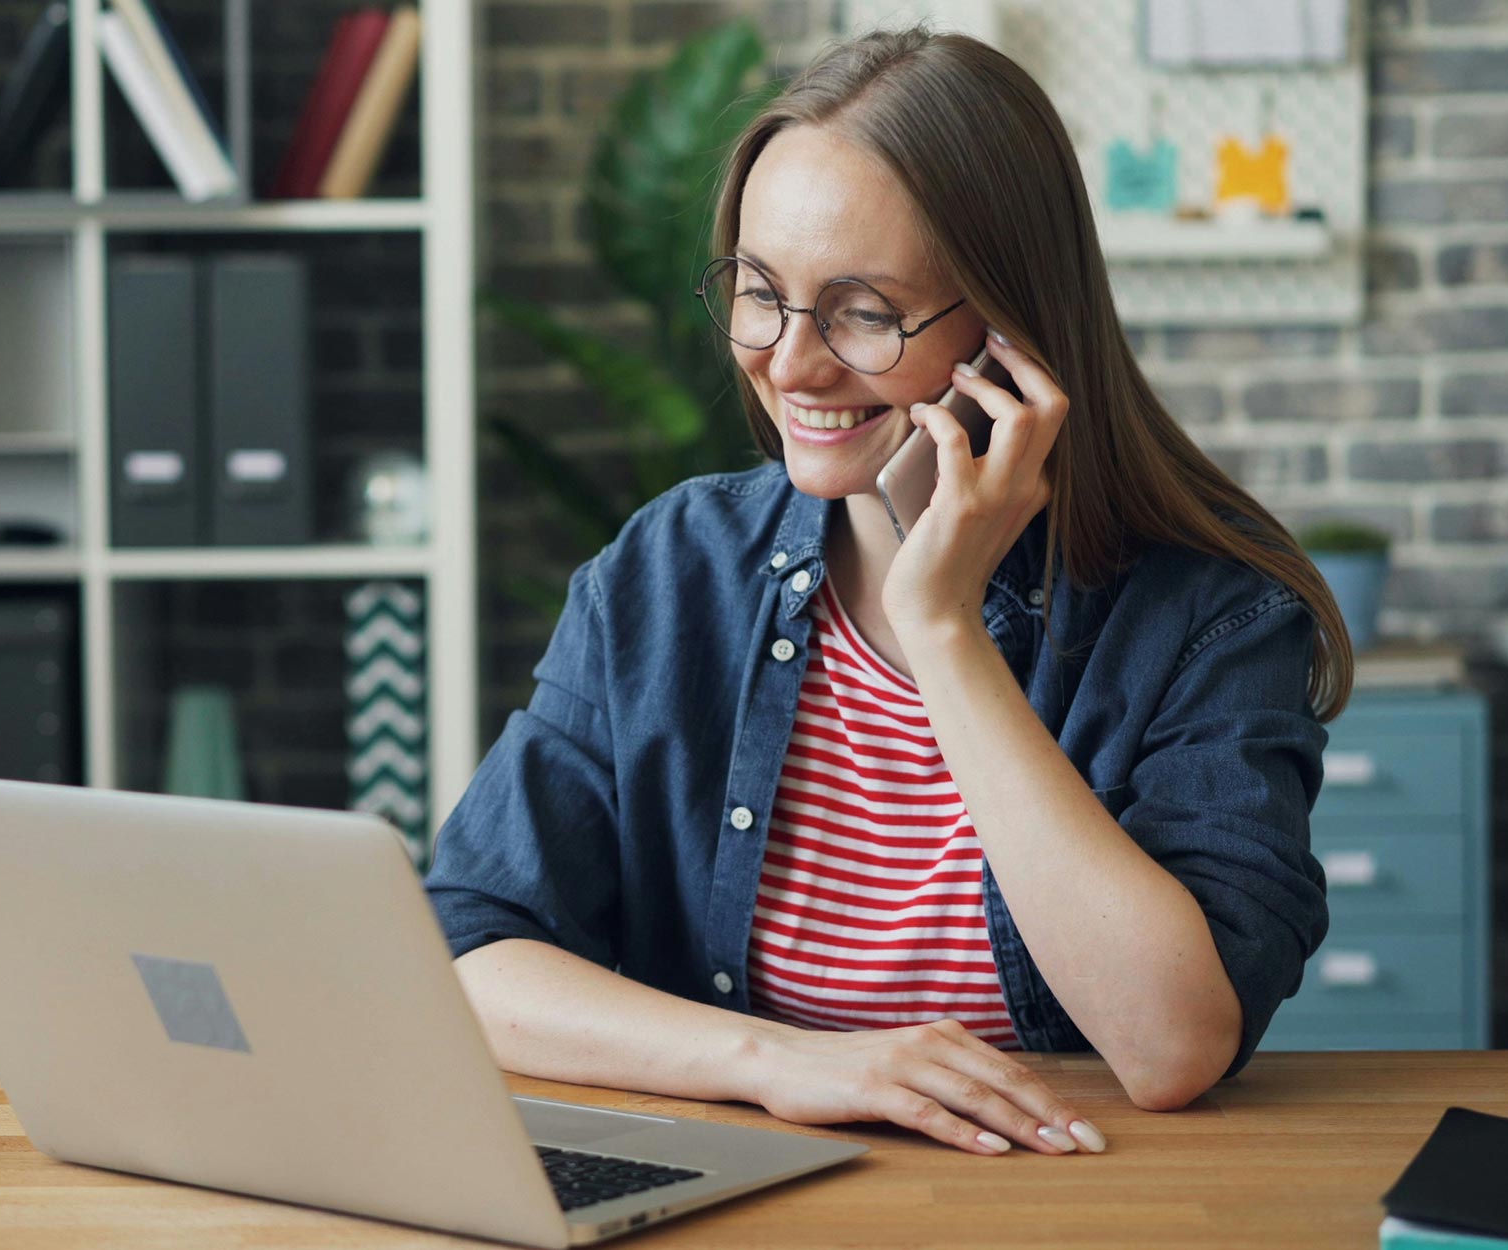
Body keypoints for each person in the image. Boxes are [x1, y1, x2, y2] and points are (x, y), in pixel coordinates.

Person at [424, 28, 1347, 1158]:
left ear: (1010, 329)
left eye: (864, 312)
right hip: (752, 1196)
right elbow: (471, 950)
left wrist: (943, 623)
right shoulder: (670, 569)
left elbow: (1169, 1046)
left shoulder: (1210, 610)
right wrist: (777, 1060)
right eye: (760, 292)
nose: (792, 364)